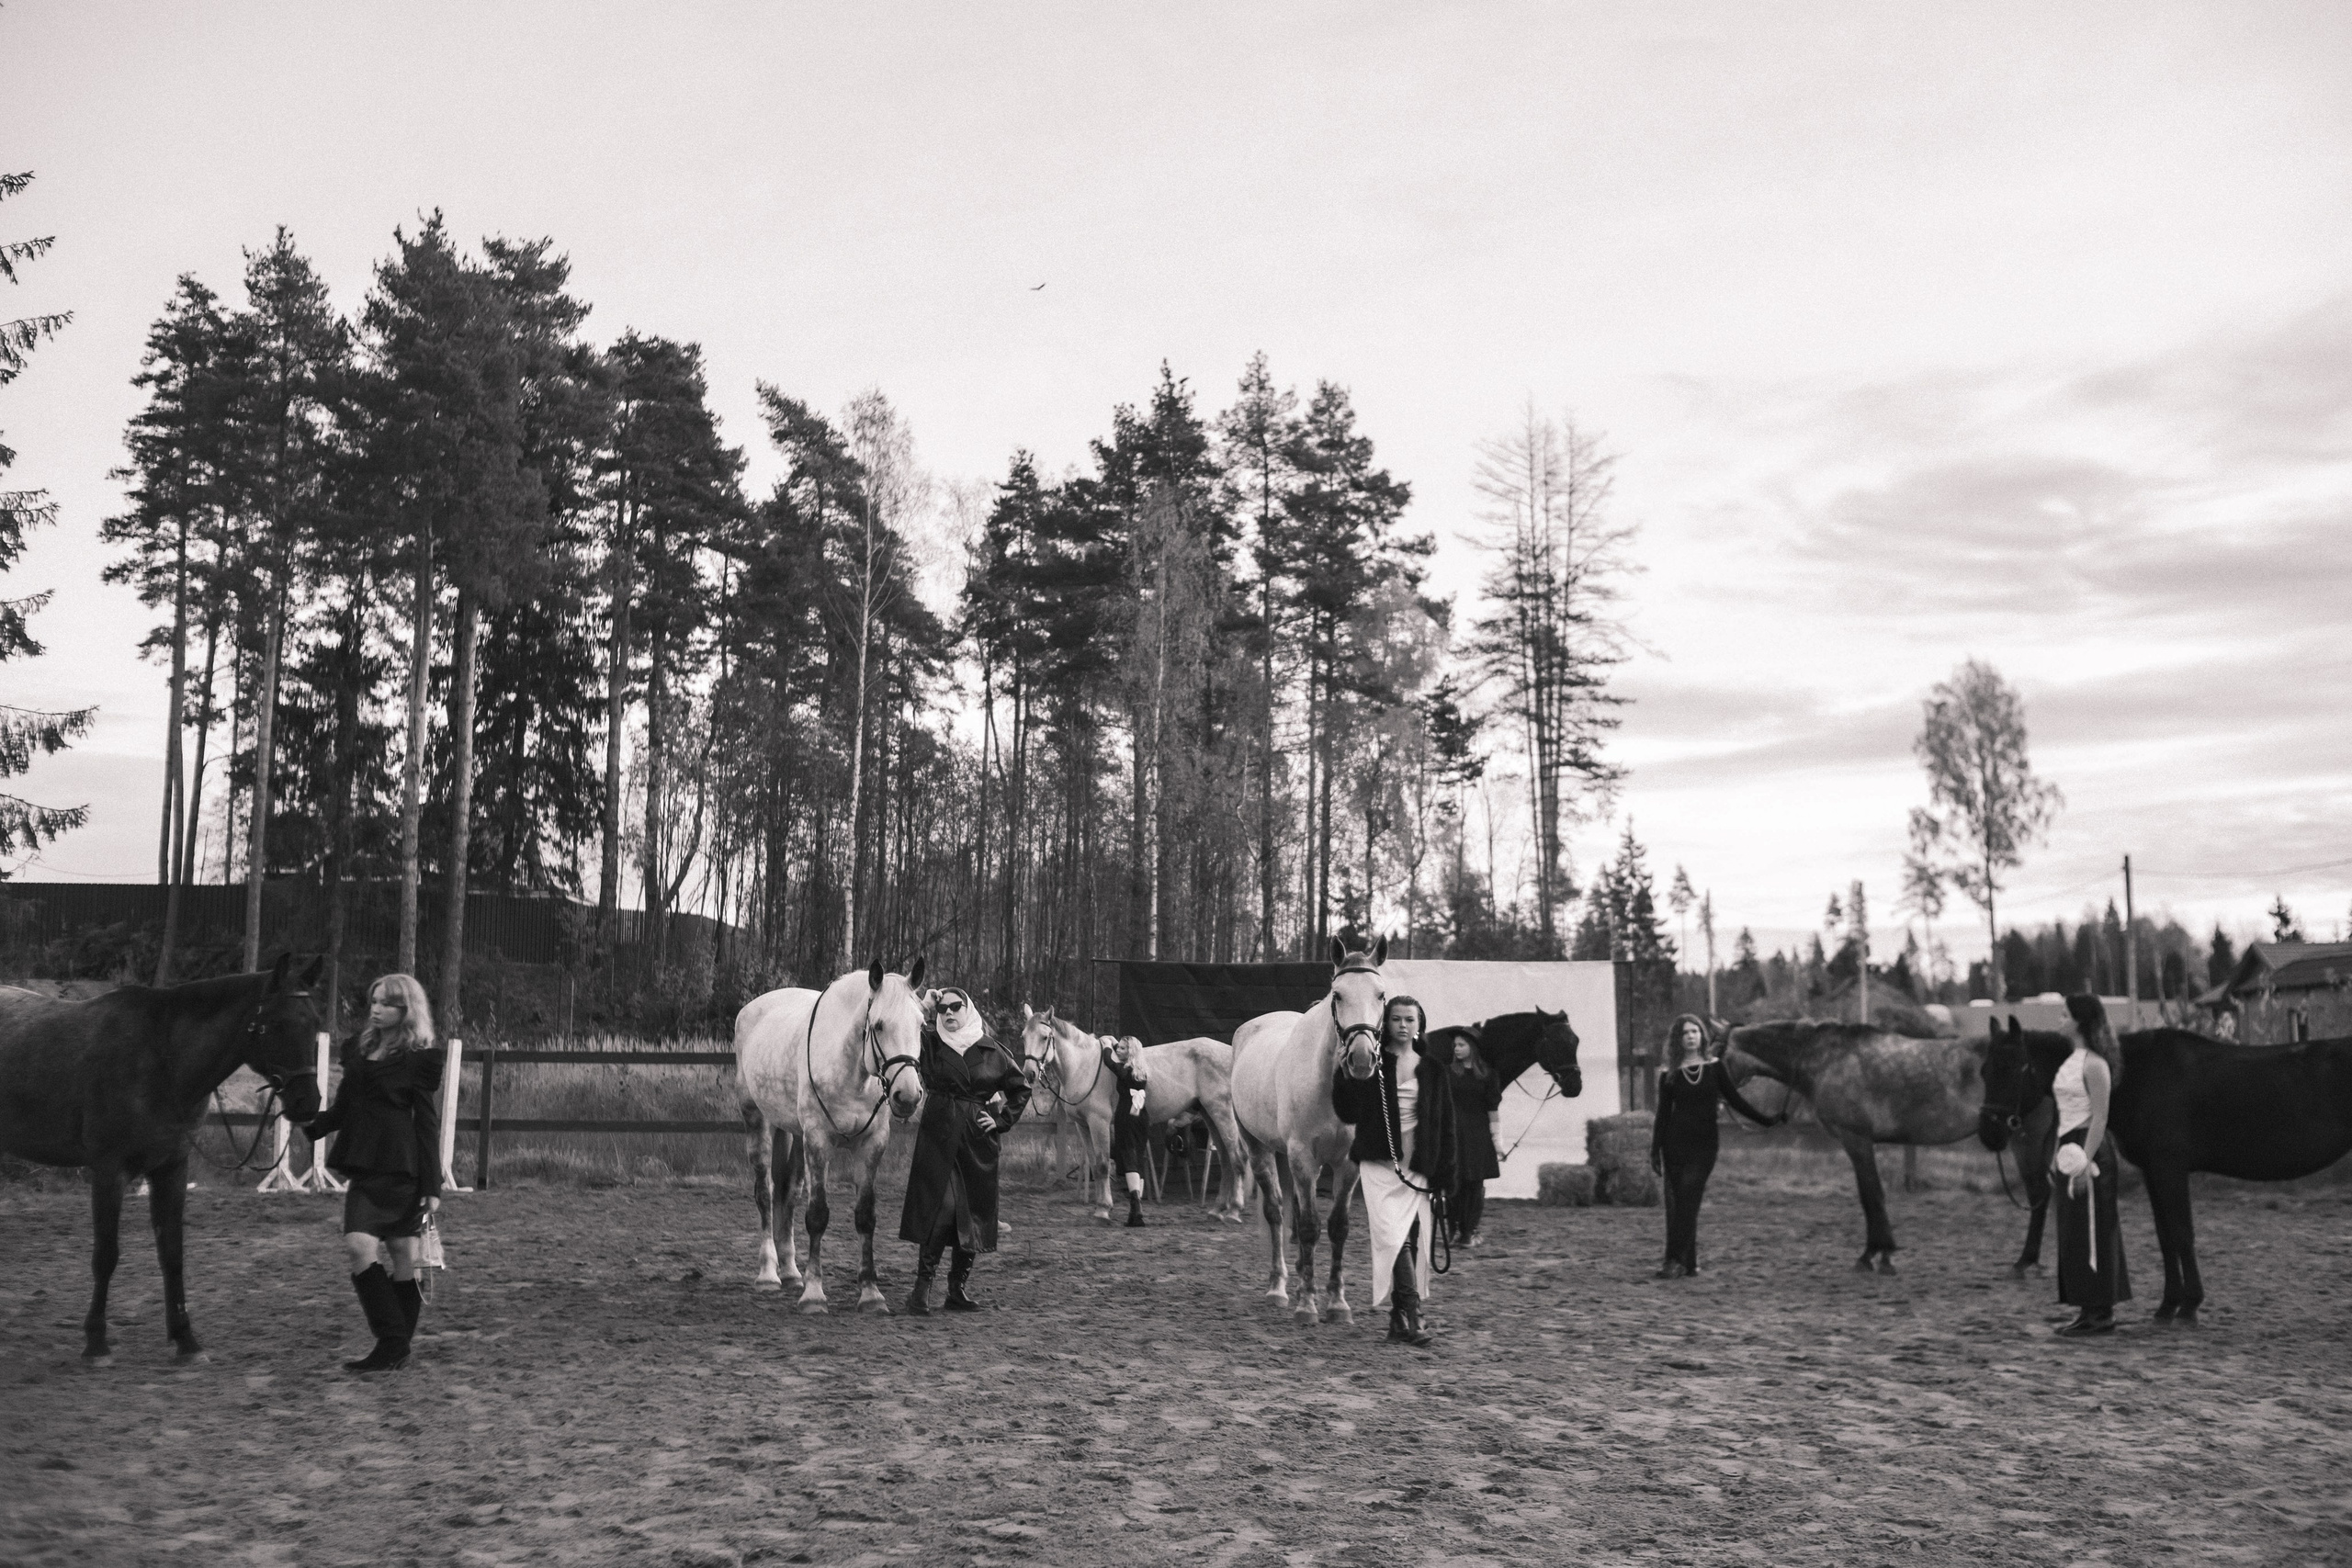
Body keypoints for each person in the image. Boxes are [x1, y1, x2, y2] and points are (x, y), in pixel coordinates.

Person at [302, 973, 446, 1372]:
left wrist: (432, 1184)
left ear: (407, 1009)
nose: (377, 1009)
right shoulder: (358, 1049)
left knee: (403, 1253)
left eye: (386, 1003)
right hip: (365, 1165)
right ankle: (394, 1341)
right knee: (358, 1245)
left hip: (404, 1167)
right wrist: (313, 1125)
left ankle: (392, 1346)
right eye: (374, 1002)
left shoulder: (419, 1060)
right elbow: (345, 1106)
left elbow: (427, 1122)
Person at [1332, 995, 1457, 1347]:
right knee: (1393, 1237)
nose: (1403, 1025)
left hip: (1418, 1167)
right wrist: (1345, 1077)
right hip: (1379, 1164)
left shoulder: (1433, 1068)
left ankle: (1398, 1319)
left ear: (1420, 1025)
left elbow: (1446, 1125)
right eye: (1397, 1019)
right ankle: (1415, 1316)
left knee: (1411, 1238)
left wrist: (1446, 1177)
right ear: (1385, 1024)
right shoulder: (1372, 1064)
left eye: (1410, 1019)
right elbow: (1349, 1112)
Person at [899, 987, 1030, 1316]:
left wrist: (1001, 1120)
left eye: (956, 1007)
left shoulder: (992, 1050)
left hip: (976, 1140)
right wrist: (925, 1006)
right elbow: (903, 1024)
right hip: (938, 1133)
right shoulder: (928, 1043)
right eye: (943, 1009)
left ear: (968, 1009)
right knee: (940, 1208)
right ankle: (922, 1288)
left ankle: (957, 1290)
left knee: (971, 1214)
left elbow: (1020, 1089)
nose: (949, 1014)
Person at [1649, 1014, 1781, 1280]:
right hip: (1674, 1144)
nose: (1690, 1036)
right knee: (1680, 1204)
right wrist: (1655, 1150)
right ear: (1678, 1039)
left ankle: (1673, 1260)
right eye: (1685, 1033)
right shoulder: (1669, 1074)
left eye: (1695, 1032)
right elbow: (1663, 1114)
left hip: (1704, 1145)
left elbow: (1736, 1100)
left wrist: (1767, 1120)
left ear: (1702, 1036)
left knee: (1688, 1200)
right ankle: (1689, 1263)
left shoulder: (1715, 1068)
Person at [2052, 996, 2131, 1336]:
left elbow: (2100, 1116)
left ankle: (2102, 1311)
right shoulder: (2072, 1060)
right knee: (2074, 1230)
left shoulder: (2095, 1065)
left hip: (2090, 1149)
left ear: (2080, 1022)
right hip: (2068, 1144)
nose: (2060, 1019)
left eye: (2065, 1014)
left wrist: (2085, 1160)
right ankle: (2087, 1306)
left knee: (2094, 1227)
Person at [1447, 1031, 1502, 1247]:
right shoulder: (1447, 1073)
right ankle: (1452, 1229)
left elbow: (1492, 1110)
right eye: (1455, 1046)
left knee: (1475, 1184)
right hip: (1453, 1134)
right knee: (1453, 1184)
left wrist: (1498, 1141)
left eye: (1461, 1044)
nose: (1457, 1049)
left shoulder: (1488, 1075)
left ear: (1472, 1047)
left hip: (1478, 1136)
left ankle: (1469, 1232)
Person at [1102, 1033, 1151, 1228]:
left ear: (1129, 1051)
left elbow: (1108, 1061)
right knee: (1138, 1158)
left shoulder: (1124, 1069)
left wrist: (1106, 1045)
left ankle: (1136, 1206)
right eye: (1117, 1047)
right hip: (1141, 1116)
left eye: (1122, 1048)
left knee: (1130, 1157)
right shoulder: (1142, 1070)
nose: (1118, 1050)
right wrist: (1116, 1044)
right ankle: (1135, 1211)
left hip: (1126, 1116)